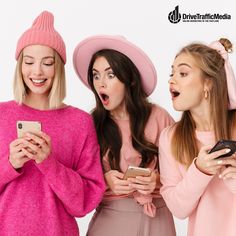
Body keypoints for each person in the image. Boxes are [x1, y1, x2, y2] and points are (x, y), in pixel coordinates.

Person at [0, 11, 105, 236]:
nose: (37, 71)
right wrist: (10, 164)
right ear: (20, 66)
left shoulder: (80, 122)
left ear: (58, 67)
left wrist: (49, 163)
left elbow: (85, 202)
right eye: (29, 62)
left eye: (47, 63)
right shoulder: (1, 114)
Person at [73, 35, 176, 236]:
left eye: (110, 75)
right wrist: (104, 181)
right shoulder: (91, 124)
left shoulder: (159, 117)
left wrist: (156, 179)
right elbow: (78, 183)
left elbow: (183, 173)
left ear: (129, 79)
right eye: (95, 75)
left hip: (157, 217)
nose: (100, 84)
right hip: (111, 218)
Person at [159, 38, 236, 236]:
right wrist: (200, 170)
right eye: (172, 73)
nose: (171, 80)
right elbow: (178, 209)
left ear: (208, 83)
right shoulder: (170, 137)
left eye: (183, 73)